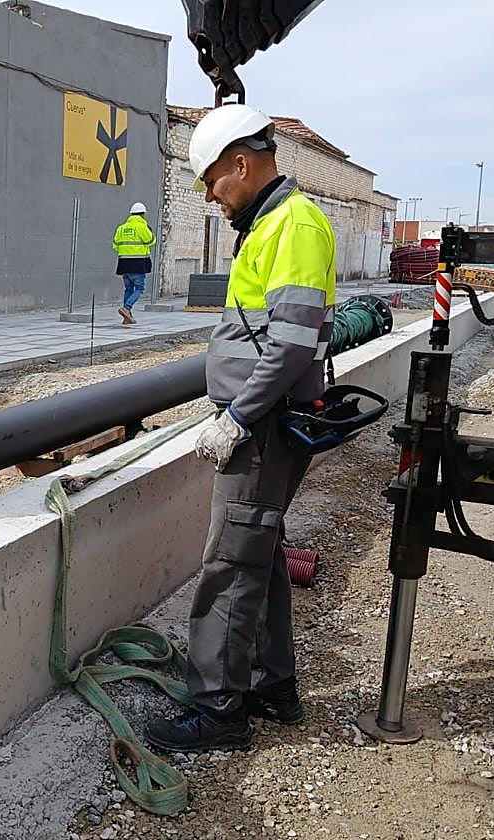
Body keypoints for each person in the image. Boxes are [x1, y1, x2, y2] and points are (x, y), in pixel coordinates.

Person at [143, 105, 336, 752]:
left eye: (211, 180)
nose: (208, 194)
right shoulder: (273, 224)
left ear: (242, 164)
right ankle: (271, 686)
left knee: (229, 563)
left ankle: (218, 709)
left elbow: (290, 346)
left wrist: (236, 417)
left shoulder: (293, 225)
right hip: (266, 423)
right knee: (262, 552)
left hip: (262, 429)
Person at [112, 201, 156, 325]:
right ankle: (127, 308)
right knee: (140, 288)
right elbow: (151, 240)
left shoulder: (121, 228)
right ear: (143, 215)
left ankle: (127, 317)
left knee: (128, 289)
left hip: (123, 263)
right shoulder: (142, 226)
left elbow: (115, 245)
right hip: (138, 263)